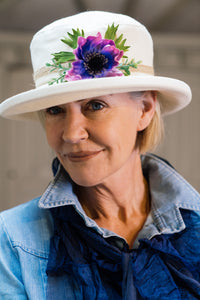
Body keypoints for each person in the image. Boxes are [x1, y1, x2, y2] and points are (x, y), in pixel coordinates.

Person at [0, 10, 199, 300]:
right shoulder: (12, 240)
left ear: (144, 110)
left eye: (95, 105)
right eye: (55, 110)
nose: (71, 133)